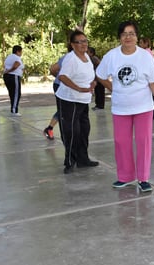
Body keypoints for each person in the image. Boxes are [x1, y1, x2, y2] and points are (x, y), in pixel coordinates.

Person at [96, 20, 154, 192]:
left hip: (143, 107)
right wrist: (112, 87)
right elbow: (100, 75)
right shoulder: (111, 56)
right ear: (120, 37)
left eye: (132, 33)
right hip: (120, 108)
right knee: (122, 142)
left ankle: (143, 178)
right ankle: (125, 176)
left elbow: (153, 81)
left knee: (143, 142)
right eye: (124, 34)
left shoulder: (144, 56)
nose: (128, 37)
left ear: (137, 37)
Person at [55, 30, 98, 174]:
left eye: (85, 41)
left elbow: (90, 76)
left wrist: (92, 84)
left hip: (83, 100)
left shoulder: (86, 56)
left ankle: (83, 159)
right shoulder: (70, 59)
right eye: (79, 42)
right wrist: (78, 88)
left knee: (84, 129)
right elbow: (63, 77)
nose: (83, 44)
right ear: (72, 45)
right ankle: (69, 161)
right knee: (72, 131)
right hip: (70, 100)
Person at [43, 52, 68, 140]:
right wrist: (59, 78)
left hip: (72, 89)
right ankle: (50, 129)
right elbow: (53, 69)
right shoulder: (67, 57)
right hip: (60, 85)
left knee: (65, 109)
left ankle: (49, 128)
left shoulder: (84, 57)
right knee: (63, 109)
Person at [139, 37, 154, 120]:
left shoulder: (146, 52)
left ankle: (153, 113)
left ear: (146, 43)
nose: (139, 45)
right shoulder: (146, 52)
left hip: (148, 77)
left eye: (141, 43)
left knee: (150, 94)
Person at [3, 45, 24, 116]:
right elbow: (16, 65)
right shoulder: (17, 57)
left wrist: (7, 71)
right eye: (21, 52)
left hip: (7, 77)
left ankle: (13, 108)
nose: (21, 53)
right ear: (18, 51)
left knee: (12, 93)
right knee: (16, 94)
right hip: (14, 76)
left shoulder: (9, 57)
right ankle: (14, 111)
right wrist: (10, 71)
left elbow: (5, 66)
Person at [87, 47, 106, 111]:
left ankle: (100, 105)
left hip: (100, 78)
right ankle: (98, 105)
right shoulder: (89, 59)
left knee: (100, 92)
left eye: (88, 52)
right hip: (96, 78)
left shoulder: (94, 58)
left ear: (91, 53)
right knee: (97, 92)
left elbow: (101, 65)